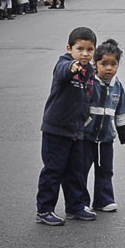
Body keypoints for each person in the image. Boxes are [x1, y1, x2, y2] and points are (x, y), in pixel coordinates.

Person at [36, 27, 99, 226]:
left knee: (76, 170)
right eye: (80, 49)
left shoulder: (89, 69)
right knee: (54, 169)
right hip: (56, 127)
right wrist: (72, 67)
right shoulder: (64, 64)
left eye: (89, 50)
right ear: (69, 48)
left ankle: (75, 206)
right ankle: (44, 209)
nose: (85, 54)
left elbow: (88, 96)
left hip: (76, 129)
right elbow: (62, 72)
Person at [81, 39, 125, 212]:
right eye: (104, 64)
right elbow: (79, 107)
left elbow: (122, 110)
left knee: (105, 170)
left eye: (114, 64)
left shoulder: (117, 86)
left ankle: (103, 200)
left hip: (106, 138)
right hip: (85, 137)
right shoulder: (89, 83)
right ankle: (79, 201)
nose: (109, 68)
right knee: (80, 171)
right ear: (95, 64)